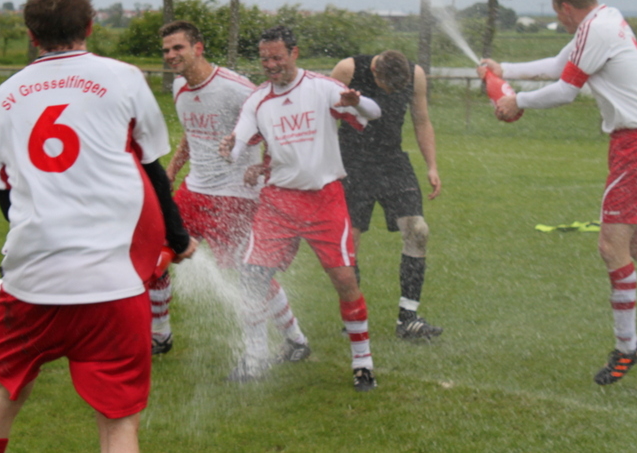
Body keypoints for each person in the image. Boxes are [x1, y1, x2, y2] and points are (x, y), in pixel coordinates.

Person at [0, 0, 195, 453]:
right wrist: (178, 236)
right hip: (112, 283)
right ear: (90, 26)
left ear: (32, 35)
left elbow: (5, 194)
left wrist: (40, 234)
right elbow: (152, 171)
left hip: (32, 278)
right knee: (118, 422)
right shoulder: (124, 78)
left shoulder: (4, 95)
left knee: (5, 391)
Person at [477, 0, 637, 385]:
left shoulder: (596, 29)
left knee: (611, 247)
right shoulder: (602, 21)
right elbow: (558, 65)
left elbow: (565, 90)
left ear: (565, 8)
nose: (559, 21)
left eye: (558, 14)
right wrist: (504, 69)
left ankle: (629, 348)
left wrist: (516, 100)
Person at [219, 25, 382, 392]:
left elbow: (374, 112)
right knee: (252, 278)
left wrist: (356, 102)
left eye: (277, 57)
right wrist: (230, 148)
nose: (270, 65)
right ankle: (255, 358)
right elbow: (240, 138)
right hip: (278, 202)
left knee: (345, 280)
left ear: (294, 53)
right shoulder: (257, 100)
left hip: (324, 200)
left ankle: (363, 363)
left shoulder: (322, 87)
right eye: (264, 59)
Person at [156, 20, 310, 361]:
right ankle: (160, 334)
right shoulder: (179, 86)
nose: (171, 55)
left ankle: (294, 339)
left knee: (250, 275)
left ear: (198, 48)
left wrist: (265, 168)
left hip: (235, 196)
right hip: (193, 191)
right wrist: (172, 170)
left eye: (178, 47)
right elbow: (191, 135)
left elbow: (273, 129)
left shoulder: (236, 89)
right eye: (166, 50)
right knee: (158, 253)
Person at [330, 50, 443, 341]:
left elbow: (421, 120)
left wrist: (432, 166)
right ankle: (353, 317)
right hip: (351, 162)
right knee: (349, 243)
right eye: (386, 87)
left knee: (418, 230)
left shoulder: (415, 74)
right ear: (374, 73)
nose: (391, 93)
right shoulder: (347, 69)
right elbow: (322, 117)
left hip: (392, 160)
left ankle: (408, 318)